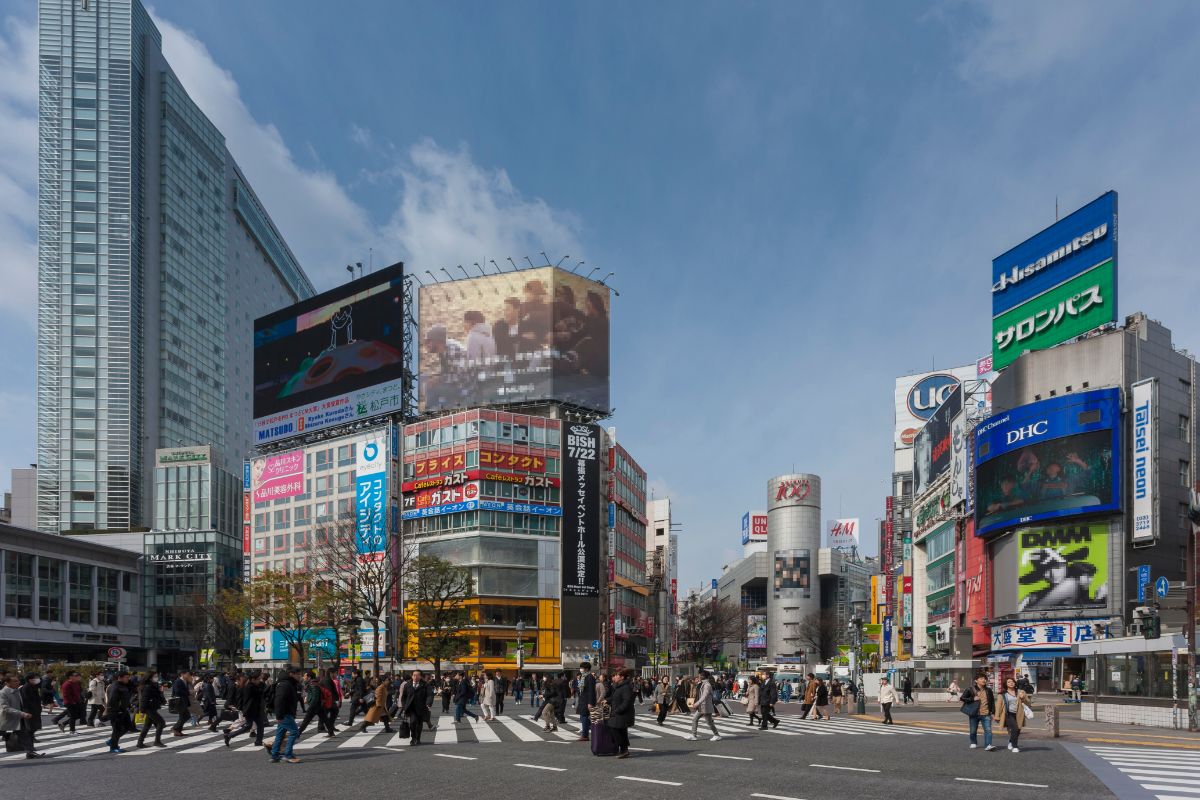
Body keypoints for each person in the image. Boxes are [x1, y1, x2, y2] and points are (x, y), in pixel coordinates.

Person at [1, 673, 40, 758]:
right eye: (15, 681)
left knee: (24, 734)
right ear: (7, 683)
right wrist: (22, 713)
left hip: (17, 717)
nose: (18, 682)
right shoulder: (3, 693)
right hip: (5, 719)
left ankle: (31, 752)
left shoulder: (18, 690)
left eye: (18, 680)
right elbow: (5, 708)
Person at [269, 666, 302, 764]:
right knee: (294, 732)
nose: (300, 676)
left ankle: (275, 755)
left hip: (286, 712)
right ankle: (288, 755)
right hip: (284, 713)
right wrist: (279, 716)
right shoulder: (285, 684)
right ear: (291, 674)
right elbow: (279, 700)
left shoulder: (289, 683)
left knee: (280, 733)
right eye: (298, 674)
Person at [225, 672, 267, 748]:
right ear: (253, 679)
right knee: (248, 726)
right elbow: (260, 693)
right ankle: (230, 735)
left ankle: (258, 741)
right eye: (258, 679)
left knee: (260, 725)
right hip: (250, 710)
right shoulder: (250, 687)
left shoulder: (253, 686)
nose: (259, 681)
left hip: (255, 710)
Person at [961, 674, 996, 750]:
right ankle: (973, 742)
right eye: (981, 679)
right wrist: (972, 699)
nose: (984, 680)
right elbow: (962, 698)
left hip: (986, 713)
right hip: (974, 713)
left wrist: (993, 712)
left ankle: (988, 745)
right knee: (973, 730)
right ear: (976, 680)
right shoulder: (970, 689)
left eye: (985, 679)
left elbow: (992, 702)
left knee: (988, 730)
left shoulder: (988, 690)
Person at [994, 676, 1029, 753]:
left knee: (1018, 730)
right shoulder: (1002, 694)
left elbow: (1028, 703)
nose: (1011, 683)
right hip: (1008, 714)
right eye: (1009, 682)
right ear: (1006, 684)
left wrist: (1023, 698)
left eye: (1012, 681)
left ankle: (1011, 741)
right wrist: (997, 716)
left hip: (1019, 714)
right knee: (1015, 729)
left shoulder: (1021, 692)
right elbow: (998, 706)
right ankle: (1015, 746)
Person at [685, 670, 722, 741]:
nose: (699, 676)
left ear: (704, 676)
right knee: (696, 719)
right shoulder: (701, 683)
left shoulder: (707, 685)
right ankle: (694, 735)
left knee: (708, 722)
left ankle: (716, 735)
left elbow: (704, 696)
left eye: (700, 675)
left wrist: (696, 703)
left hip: (706, 706)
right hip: (702, 706)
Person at [608, 668, 636, 759]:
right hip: (618, 712)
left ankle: (623, 748)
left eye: (616, 675)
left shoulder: (626, 687)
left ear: (622, 677)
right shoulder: (618, 686)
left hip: (622, 713)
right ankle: (624, 750)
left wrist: (618, 710)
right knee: (621, 731)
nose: (614, 677)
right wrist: (606, 700)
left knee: (614, 728)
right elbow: (614, 698)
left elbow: (627, 701)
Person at [104, 671, 134, 753]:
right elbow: (112, 700)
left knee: (128, 726)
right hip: (116, 711)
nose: (128, 679)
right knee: (117, 729)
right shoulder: (115, 686)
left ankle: (111, 741)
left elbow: (124, 698)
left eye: (128, 677)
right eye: (126, 677)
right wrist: (116, 711)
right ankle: (113, 747)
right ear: (119, 677)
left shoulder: (123, 685)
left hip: (123, 710)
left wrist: (129, 706)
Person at [398, 670, 431, 745]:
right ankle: (413, 738)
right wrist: (404, 706)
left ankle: (418, 738)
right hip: (411, 708)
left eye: (417, 675)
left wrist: (428, 703)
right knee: (412, 722)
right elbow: (404, 697)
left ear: (421, 676)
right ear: (412, 676)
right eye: (414, 675)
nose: (415, 677)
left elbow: (430, 695)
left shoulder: (425, 685)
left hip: (421, 707)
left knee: (419, 724)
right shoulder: (408, 685)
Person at [136, 670, 167, 748]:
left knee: (147, 725)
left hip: (152, 707)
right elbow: (144, 699)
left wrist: (161, 693)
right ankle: (157, 741)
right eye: (155, 676)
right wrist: (142, 711)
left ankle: (140, 743)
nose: (156, 678)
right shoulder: (147, 687)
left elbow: (157, 696)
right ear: (149, 678)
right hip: (149, 708)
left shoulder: (153, 685)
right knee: (161, 723)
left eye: (157, 676)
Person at [575, 662, 597, 742]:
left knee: (584, 717)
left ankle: (585, 735)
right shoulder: (584, 677)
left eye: (582, 668)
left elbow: (591, 691)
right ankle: (586, 733)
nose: (580, 669)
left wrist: (590, 702)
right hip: (583, 700)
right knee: (583, 717)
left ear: (586, 669)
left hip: (587, 701)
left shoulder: (589, 677)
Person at [170, 669, 192, 736]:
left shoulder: (185, 681)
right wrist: (189, 692)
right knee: (186, 716)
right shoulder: (178, 681)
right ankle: (175, 728)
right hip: (179, 701)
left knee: (183, 716)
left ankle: (178, 731)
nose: (188, 676)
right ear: (182, 674)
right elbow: (177, 691)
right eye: (187, 674)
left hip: (183, 701)